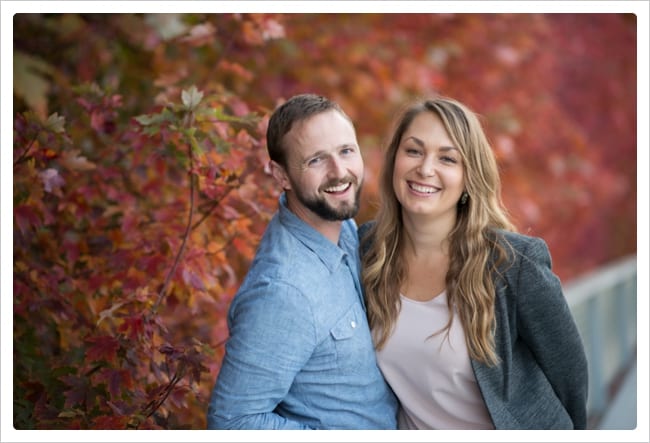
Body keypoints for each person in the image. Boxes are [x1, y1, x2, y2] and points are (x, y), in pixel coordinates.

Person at [359, 96, 589, 430]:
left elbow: (570, 374)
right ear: (394, 158)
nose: (425, 168)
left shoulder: (513, 264)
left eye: (447, 158)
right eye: (414, 151)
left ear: (469, 176)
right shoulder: (367, 251)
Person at [206, 93, 398, 430]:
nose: (340, 172)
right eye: (316, 161)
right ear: (281, 176)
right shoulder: (283, 290)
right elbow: (233, 422)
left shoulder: (344, 230)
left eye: (346, 151)